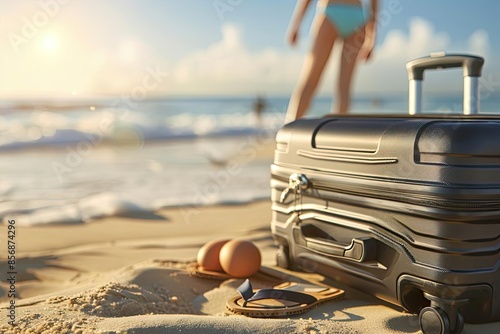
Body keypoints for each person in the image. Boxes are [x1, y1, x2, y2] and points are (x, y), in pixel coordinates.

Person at [284, 0, 378, 123]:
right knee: (344, 88)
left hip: (331, 11)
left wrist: (296, 24)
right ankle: (338, 136)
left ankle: (288, 131)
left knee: (310, 81)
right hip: (357, 16)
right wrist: (372, 36)